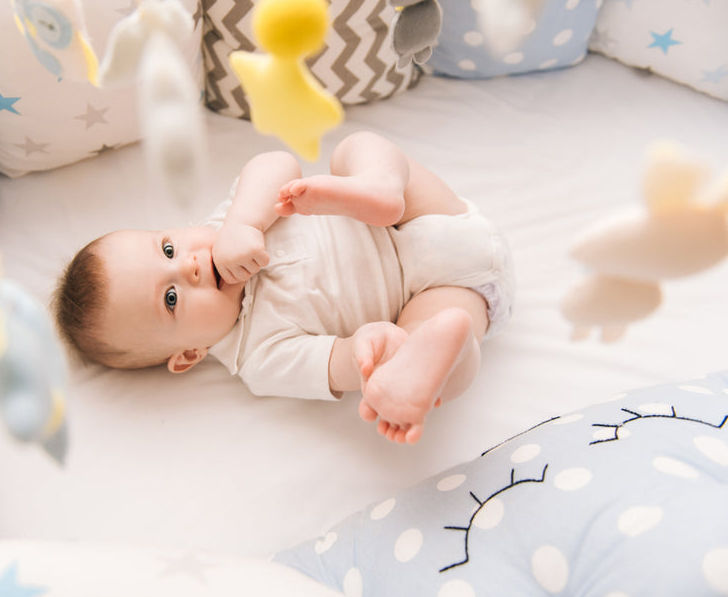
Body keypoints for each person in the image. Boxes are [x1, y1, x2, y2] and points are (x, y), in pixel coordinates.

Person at [54, 131, 514, 444]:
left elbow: (276, 161)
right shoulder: (260, 357)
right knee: (411, 353)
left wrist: (246, 221)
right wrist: (366, 350)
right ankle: (436, 351)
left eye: (168, 249)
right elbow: (338, 364)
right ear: (189, 354)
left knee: (355, 148)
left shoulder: (227, 224)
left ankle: (378, 185)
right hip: (448, 291)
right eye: (171, 298)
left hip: (420, 214)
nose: (191, 266)